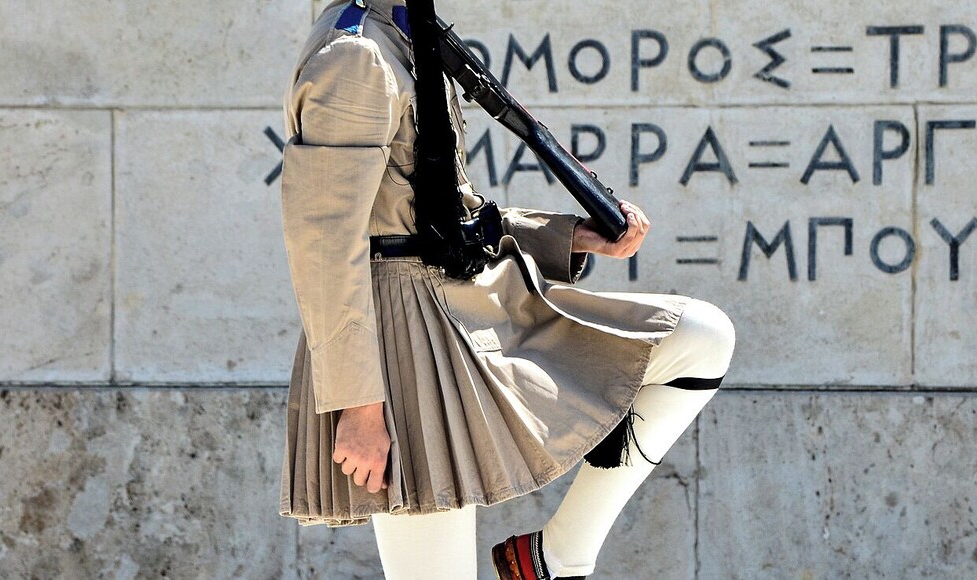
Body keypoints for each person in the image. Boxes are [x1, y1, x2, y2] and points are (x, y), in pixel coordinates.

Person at [276, 0, 736, 578]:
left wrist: (571, 237)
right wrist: (359, 404)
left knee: (699, 339)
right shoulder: (354, 53)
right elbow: (323, 246)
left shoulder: (406, 33)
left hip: (466, 306)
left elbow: (437, 209)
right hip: (397, 344)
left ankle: (557, 557)